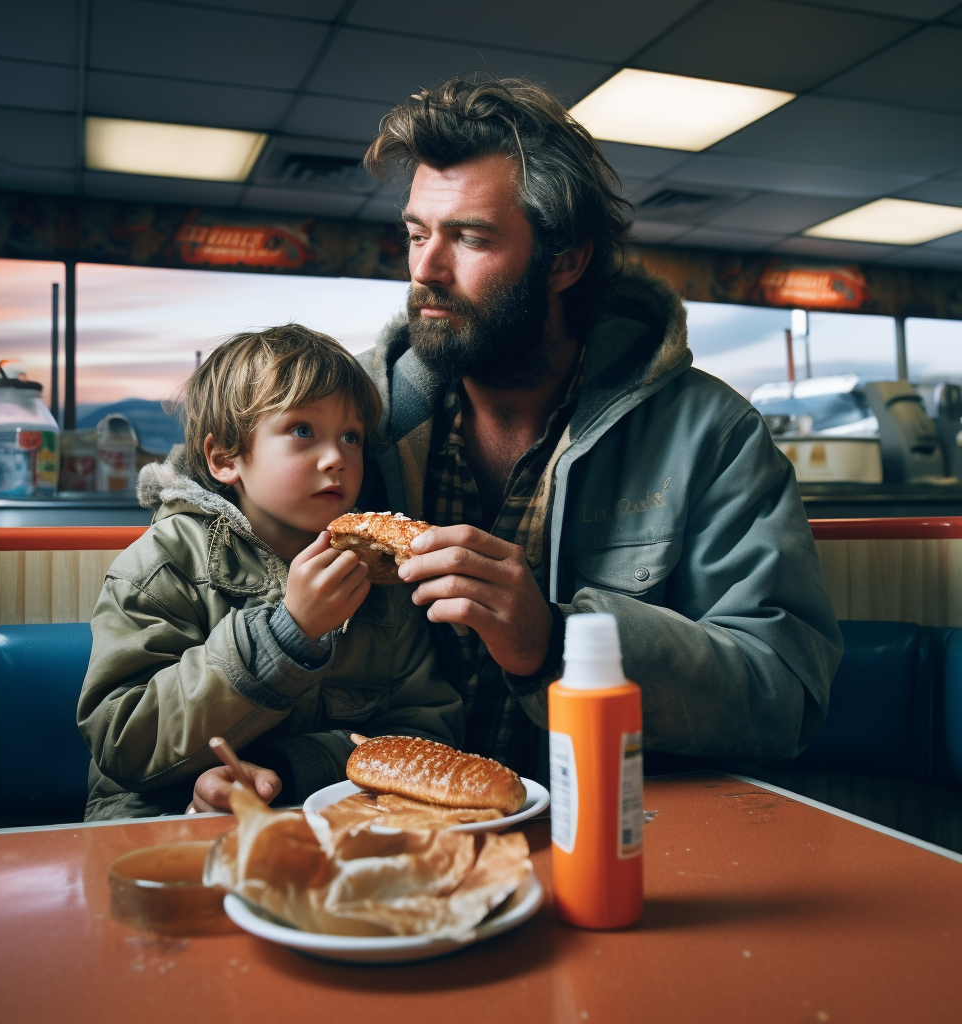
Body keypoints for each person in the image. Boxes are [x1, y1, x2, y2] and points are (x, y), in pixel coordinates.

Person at [355, 77, 843, 780]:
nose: (426, 268)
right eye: (417, 233)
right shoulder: (347, 419)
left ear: (566, 261)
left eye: (470, 238)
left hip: (622, 838)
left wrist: (554, 642)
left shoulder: (711, 433)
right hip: (386, 837)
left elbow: (785, 695)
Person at [77, 326, 463, 820]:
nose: (337, 459)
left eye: (352, 437)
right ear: (224, 458)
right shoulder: (161, 566)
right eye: (303, 431)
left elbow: (426, 735)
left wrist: (291, 766)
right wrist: (287, 635)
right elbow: (124, 739)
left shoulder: (380, 578)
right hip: (158, 820)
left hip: (328, 819)